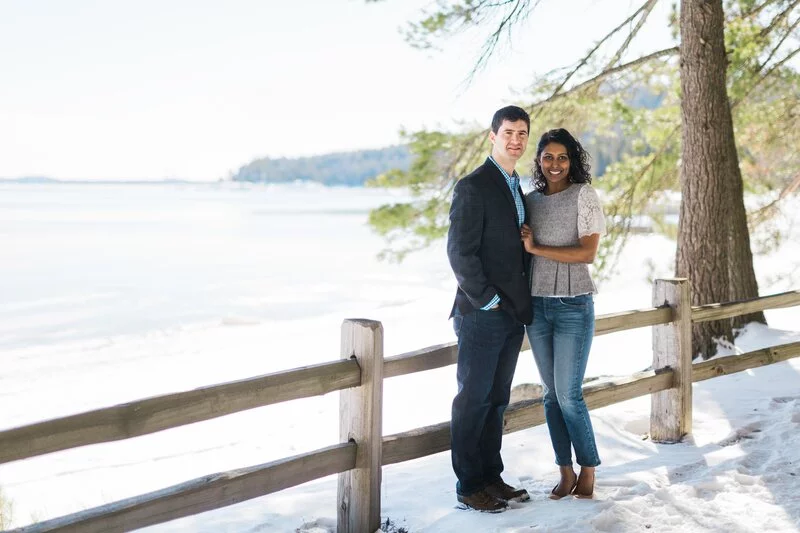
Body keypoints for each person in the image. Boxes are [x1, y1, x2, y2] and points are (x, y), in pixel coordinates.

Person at [446, 105, 534, 512]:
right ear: (492, 136)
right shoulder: (473, 186)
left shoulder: (518, 186)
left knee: (497, 399)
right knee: (473, 399)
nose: (515, 140)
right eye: (508, 132)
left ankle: (491, 477)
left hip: (511, 315)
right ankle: (468, 486)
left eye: (521, 133)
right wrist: (490, 300)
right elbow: (460, 253)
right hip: (481, 313)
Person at [520, 128, 605, 500]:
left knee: (570, 394)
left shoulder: (584, 196)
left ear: (573, 161)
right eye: (548, 157)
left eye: (562, 157)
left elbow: (587, 254)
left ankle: (588, 469)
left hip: (573, 304)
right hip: (537, 306)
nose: (555, 165)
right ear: (539, 161)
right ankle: (565, 471)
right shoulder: (530, 201)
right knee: (550, 395)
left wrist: (536, 247)